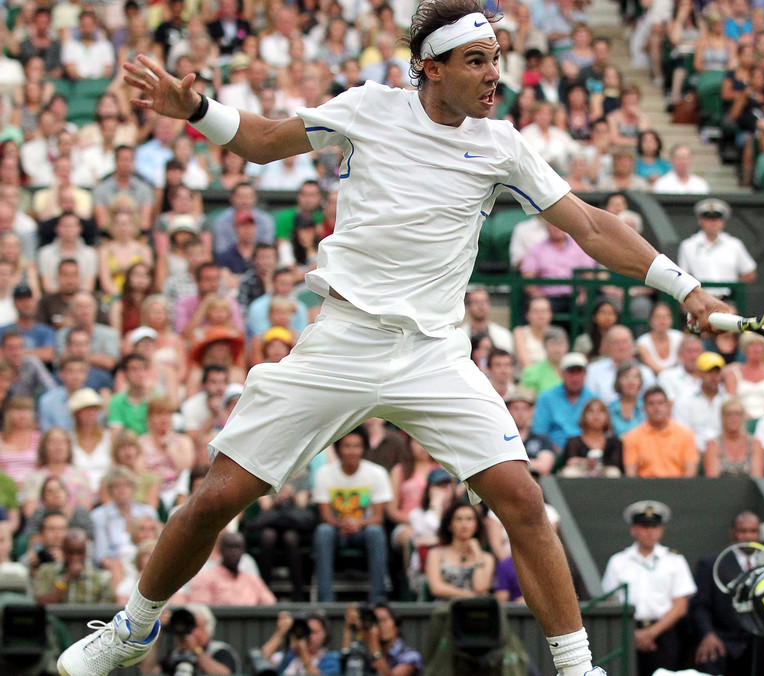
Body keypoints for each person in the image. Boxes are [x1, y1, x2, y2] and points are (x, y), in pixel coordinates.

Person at [61, 8, 726, 675]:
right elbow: (263, 141)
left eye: (496, 57)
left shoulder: (502, 146)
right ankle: (133, 627)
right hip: (344, 340)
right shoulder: (368, 109)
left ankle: (579, 670)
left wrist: (683, 286)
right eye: (475, 60)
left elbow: (590, 226)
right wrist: (196, 107)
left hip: (434, 354)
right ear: (429, 68)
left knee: (524, 500)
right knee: (215, 498)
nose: (494, 73)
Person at [601, 500, 695, 676]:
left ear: (661, 529)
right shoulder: (618, 561)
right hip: (626, 634)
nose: (650, 531)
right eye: (644, 526)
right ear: (633, 529)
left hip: (664, 635)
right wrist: (634, 635)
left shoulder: (674, 560)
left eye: (655, 526)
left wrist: (651, 633)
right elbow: (610, 602)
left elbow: (680, 606)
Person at [313, 428, 391, 603]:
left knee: (376, 532)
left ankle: (378, 597)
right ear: (339, 448)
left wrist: (358, 524)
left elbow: (378, 517)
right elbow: (325, 516)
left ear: (363, 449)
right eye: (347, 446)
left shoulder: (377, 473)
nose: (352, 451)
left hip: (364, 532)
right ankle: (325, 598)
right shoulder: (324, 474)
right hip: (336, 531)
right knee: (323, 531)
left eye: (357, 446)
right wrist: (344, 524)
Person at [690, 511, 764, 676]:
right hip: (723, 639)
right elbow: (699, 605)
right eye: (743, 531)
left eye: (753, 531)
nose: (748, 536)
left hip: (760, 642)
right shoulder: (711, 564)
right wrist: (708, 634)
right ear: (732, 533)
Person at [676, 198, 757, 300]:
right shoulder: (688, 246)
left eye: (716, 218)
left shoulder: (734, 244)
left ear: (723, 222)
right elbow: (683, 277)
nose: (713, 222)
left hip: (728, 300)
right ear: (700, 221)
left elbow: (750, 273)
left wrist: (732, 286)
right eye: (708, 218)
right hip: (700, 300)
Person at [426, 500, 495, 599]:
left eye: (469, 519)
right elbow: (436, 588)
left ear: (477, 525)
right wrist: (469, 597)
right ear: (450, 525)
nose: (464, 524)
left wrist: (477, 553)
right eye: (459, 519)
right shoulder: (436, 554)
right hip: (444, 609)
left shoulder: (487, 558)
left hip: (475, 610)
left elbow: (480, 588)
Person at [623, 387, 698, 478]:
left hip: (678, 487)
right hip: (645, 488)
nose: (656, 408)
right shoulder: (632, 437)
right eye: (651, 404)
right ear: (644, 408)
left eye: (660, 403)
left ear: (668, 406)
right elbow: (631, 475)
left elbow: (690, 472)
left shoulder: (685, 434)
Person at [187, 531, 276, 606]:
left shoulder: (252, 580)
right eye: (230, 547)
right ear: (221, 550)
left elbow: (271, 604)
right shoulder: (205, 578)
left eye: (238, 547)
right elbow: (201, 612)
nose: (234, 552)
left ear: (244, 551)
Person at [532, 352, 599, 448]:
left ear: (585, 374)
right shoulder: (546, 397)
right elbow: (539, 431)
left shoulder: (593, 399)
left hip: (585, 452)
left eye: (579, 372)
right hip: (553, 453)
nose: (575, 378)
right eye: (571, 372)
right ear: (561, 373)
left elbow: (598, 432)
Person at [33, 527, 114, 604]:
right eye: (70, 552)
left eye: (80, 553)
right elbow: (41, 604)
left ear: (86, 552)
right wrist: (66, 578)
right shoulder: (47, 571)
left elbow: (105, 612)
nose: (75, 558)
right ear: (63, 550)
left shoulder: (100, 578)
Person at [261, 610, 341, 675]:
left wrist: (304, 654)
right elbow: (260, 660)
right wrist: (280, 633)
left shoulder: (331, 658)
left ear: (325, 634)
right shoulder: (289, 656)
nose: (309, 636)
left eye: (314, 632)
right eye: (307, 631)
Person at [703, 400, 764, 478]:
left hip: (749, 489)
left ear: (743, 417)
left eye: (738, 414)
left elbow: (758, 477)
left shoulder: (755, 444)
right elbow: (712, 479)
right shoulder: (713, 445)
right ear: (722, 417)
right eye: (729, 414)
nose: (734, 418)